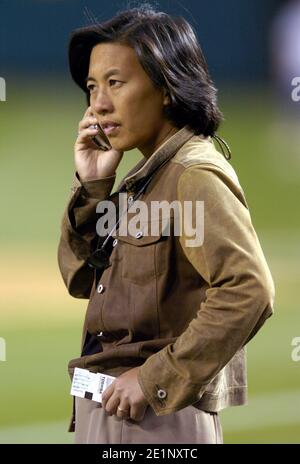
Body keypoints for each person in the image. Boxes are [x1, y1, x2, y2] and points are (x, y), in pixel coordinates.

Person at [57, 5, 275, 444]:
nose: (98, 104)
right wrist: (93, 184)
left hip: (155, 421)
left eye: (115, 83)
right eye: (92, 87)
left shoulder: (193, 174)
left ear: (166, 87)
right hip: (113, 410)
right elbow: (81, 277)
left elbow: (248, 289)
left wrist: (157, 377)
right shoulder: (147, 178)